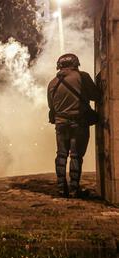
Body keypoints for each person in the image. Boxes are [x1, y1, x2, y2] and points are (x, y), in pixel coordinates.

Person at [48, 54, 101, 198]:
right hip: (79, 123)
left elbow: (51, 107)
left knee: (61, 155)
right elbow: (96, 95)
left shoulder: (52, 83)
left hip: (60, 123)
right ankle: (73, 190)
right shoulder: (82, 77)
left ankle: (60, 189)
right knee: (76, 156)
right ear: (76, 64)